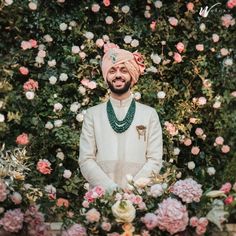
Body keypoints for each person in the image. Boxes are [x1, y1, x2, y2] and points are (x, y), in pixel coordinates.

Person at [79, 44, 163, 191]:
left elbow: (155, 160)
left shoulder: (149, 114)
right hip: (102, 197)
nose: (118, 75)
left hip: (139, 196)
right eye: (112, 70)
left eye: (124, 70)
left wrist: (132, 189)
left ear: (132, 75)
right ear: (106, 77)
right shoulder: (93, 115)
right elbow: (86, 160)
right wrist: (112, 190)